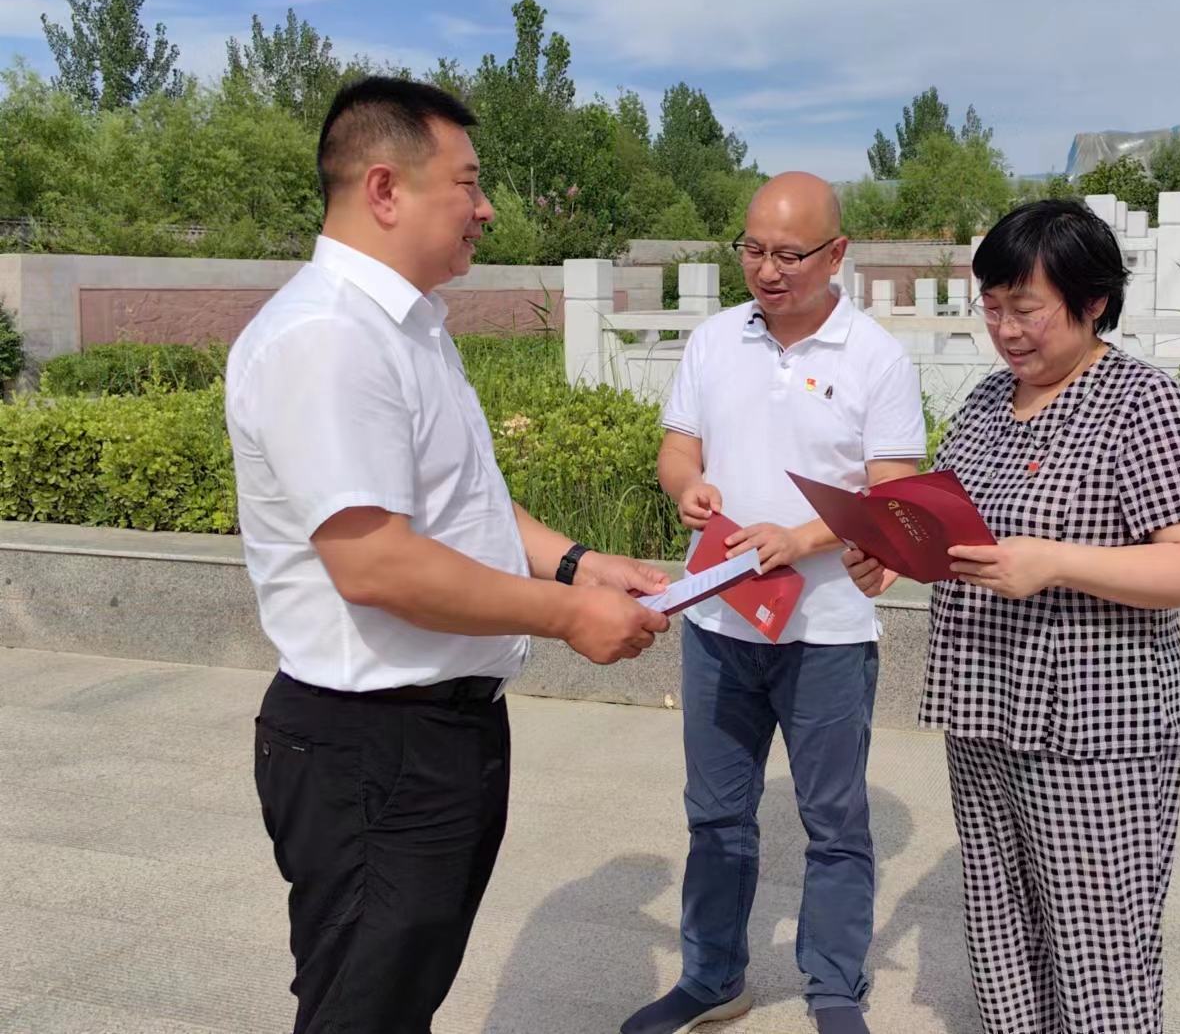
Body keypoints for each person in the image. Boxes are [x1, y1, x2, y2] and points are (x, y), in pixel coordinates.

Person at [226, 76, 671, 1034]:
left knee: (395, 1001)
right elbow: (376, 563)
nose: (486, 207)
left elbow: (466, 502)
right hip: (372, 748)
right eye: (467, 183)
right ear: (385, 189)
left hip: (435, 733)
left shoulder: (410, 327)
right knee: (361, 1010)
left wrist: (579, 564)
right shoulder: (328, 337)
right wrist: (569, 615)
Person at [844, 198, 1180, 1034]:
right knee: (1002, 931)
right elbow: (954, 530)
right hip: (983, 708)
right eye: (991, 307)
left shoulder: (1144, 405)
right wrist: (890, 554)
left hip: (1097, 725)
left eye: (1026, 308)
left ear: (1093, 302)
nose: (1006, 330)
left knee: (1098, 948)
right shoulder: (986, 403)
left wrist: (1054, 560)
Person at [625, 172, 927, 1034]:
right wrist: (686, 486)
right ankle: (712, 976)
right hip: (718, 620)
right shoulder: (714, 339)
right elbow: (677, 447)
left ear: (837, 254)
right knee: (716, 814)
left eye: (789, 254)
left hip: (826, 630)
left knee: (833, 820)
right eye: (752, 249)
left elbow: (892, 492)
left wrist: (801, 538)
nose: (766, 269)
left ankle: (833, 987)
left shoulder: (876, 357)